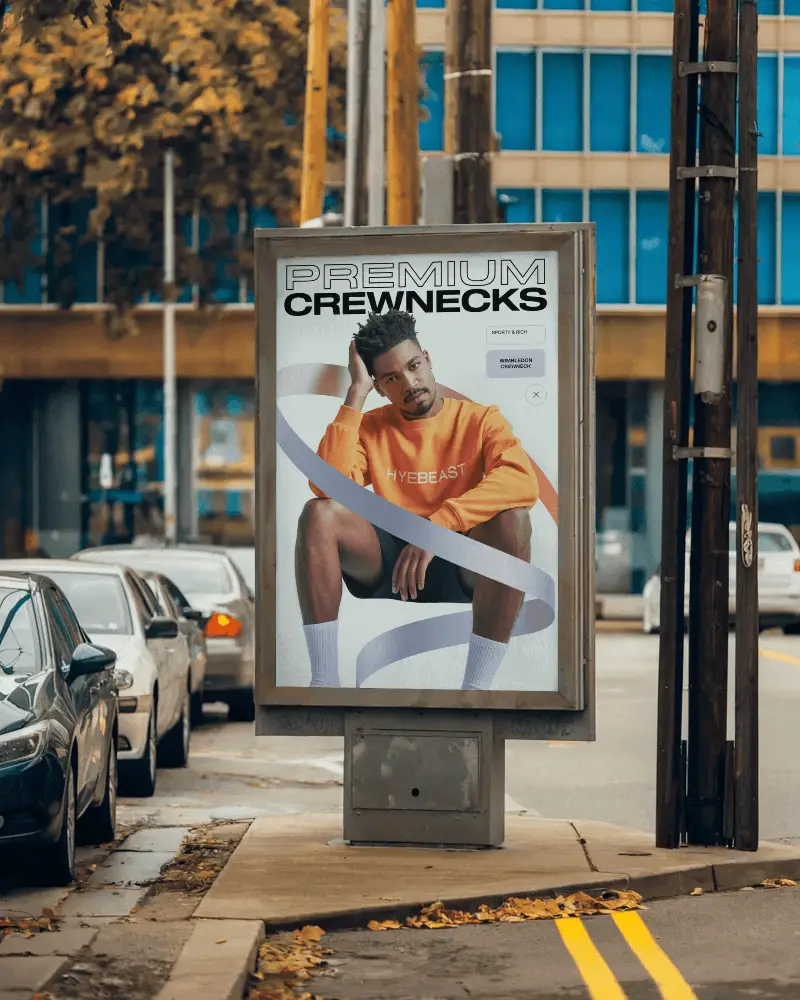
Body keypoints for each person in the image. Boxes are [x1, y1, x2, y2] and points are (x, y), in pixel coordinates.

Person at [295, 309, 539, 690]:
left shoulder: (481, 420)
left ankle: (476, 691)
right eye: (392, 378)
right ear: (379, 387)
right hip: (390, 564)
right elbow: (326, 487)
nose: (410, 383)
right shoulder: (370, 427)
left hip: (461, 558)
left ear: (427, 359)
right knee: (318, 514)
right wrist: (355, 394)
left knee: (515, 519)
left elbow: (521, 480)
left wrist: (437, 527)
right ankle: (324, 681)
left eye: (413, 366)